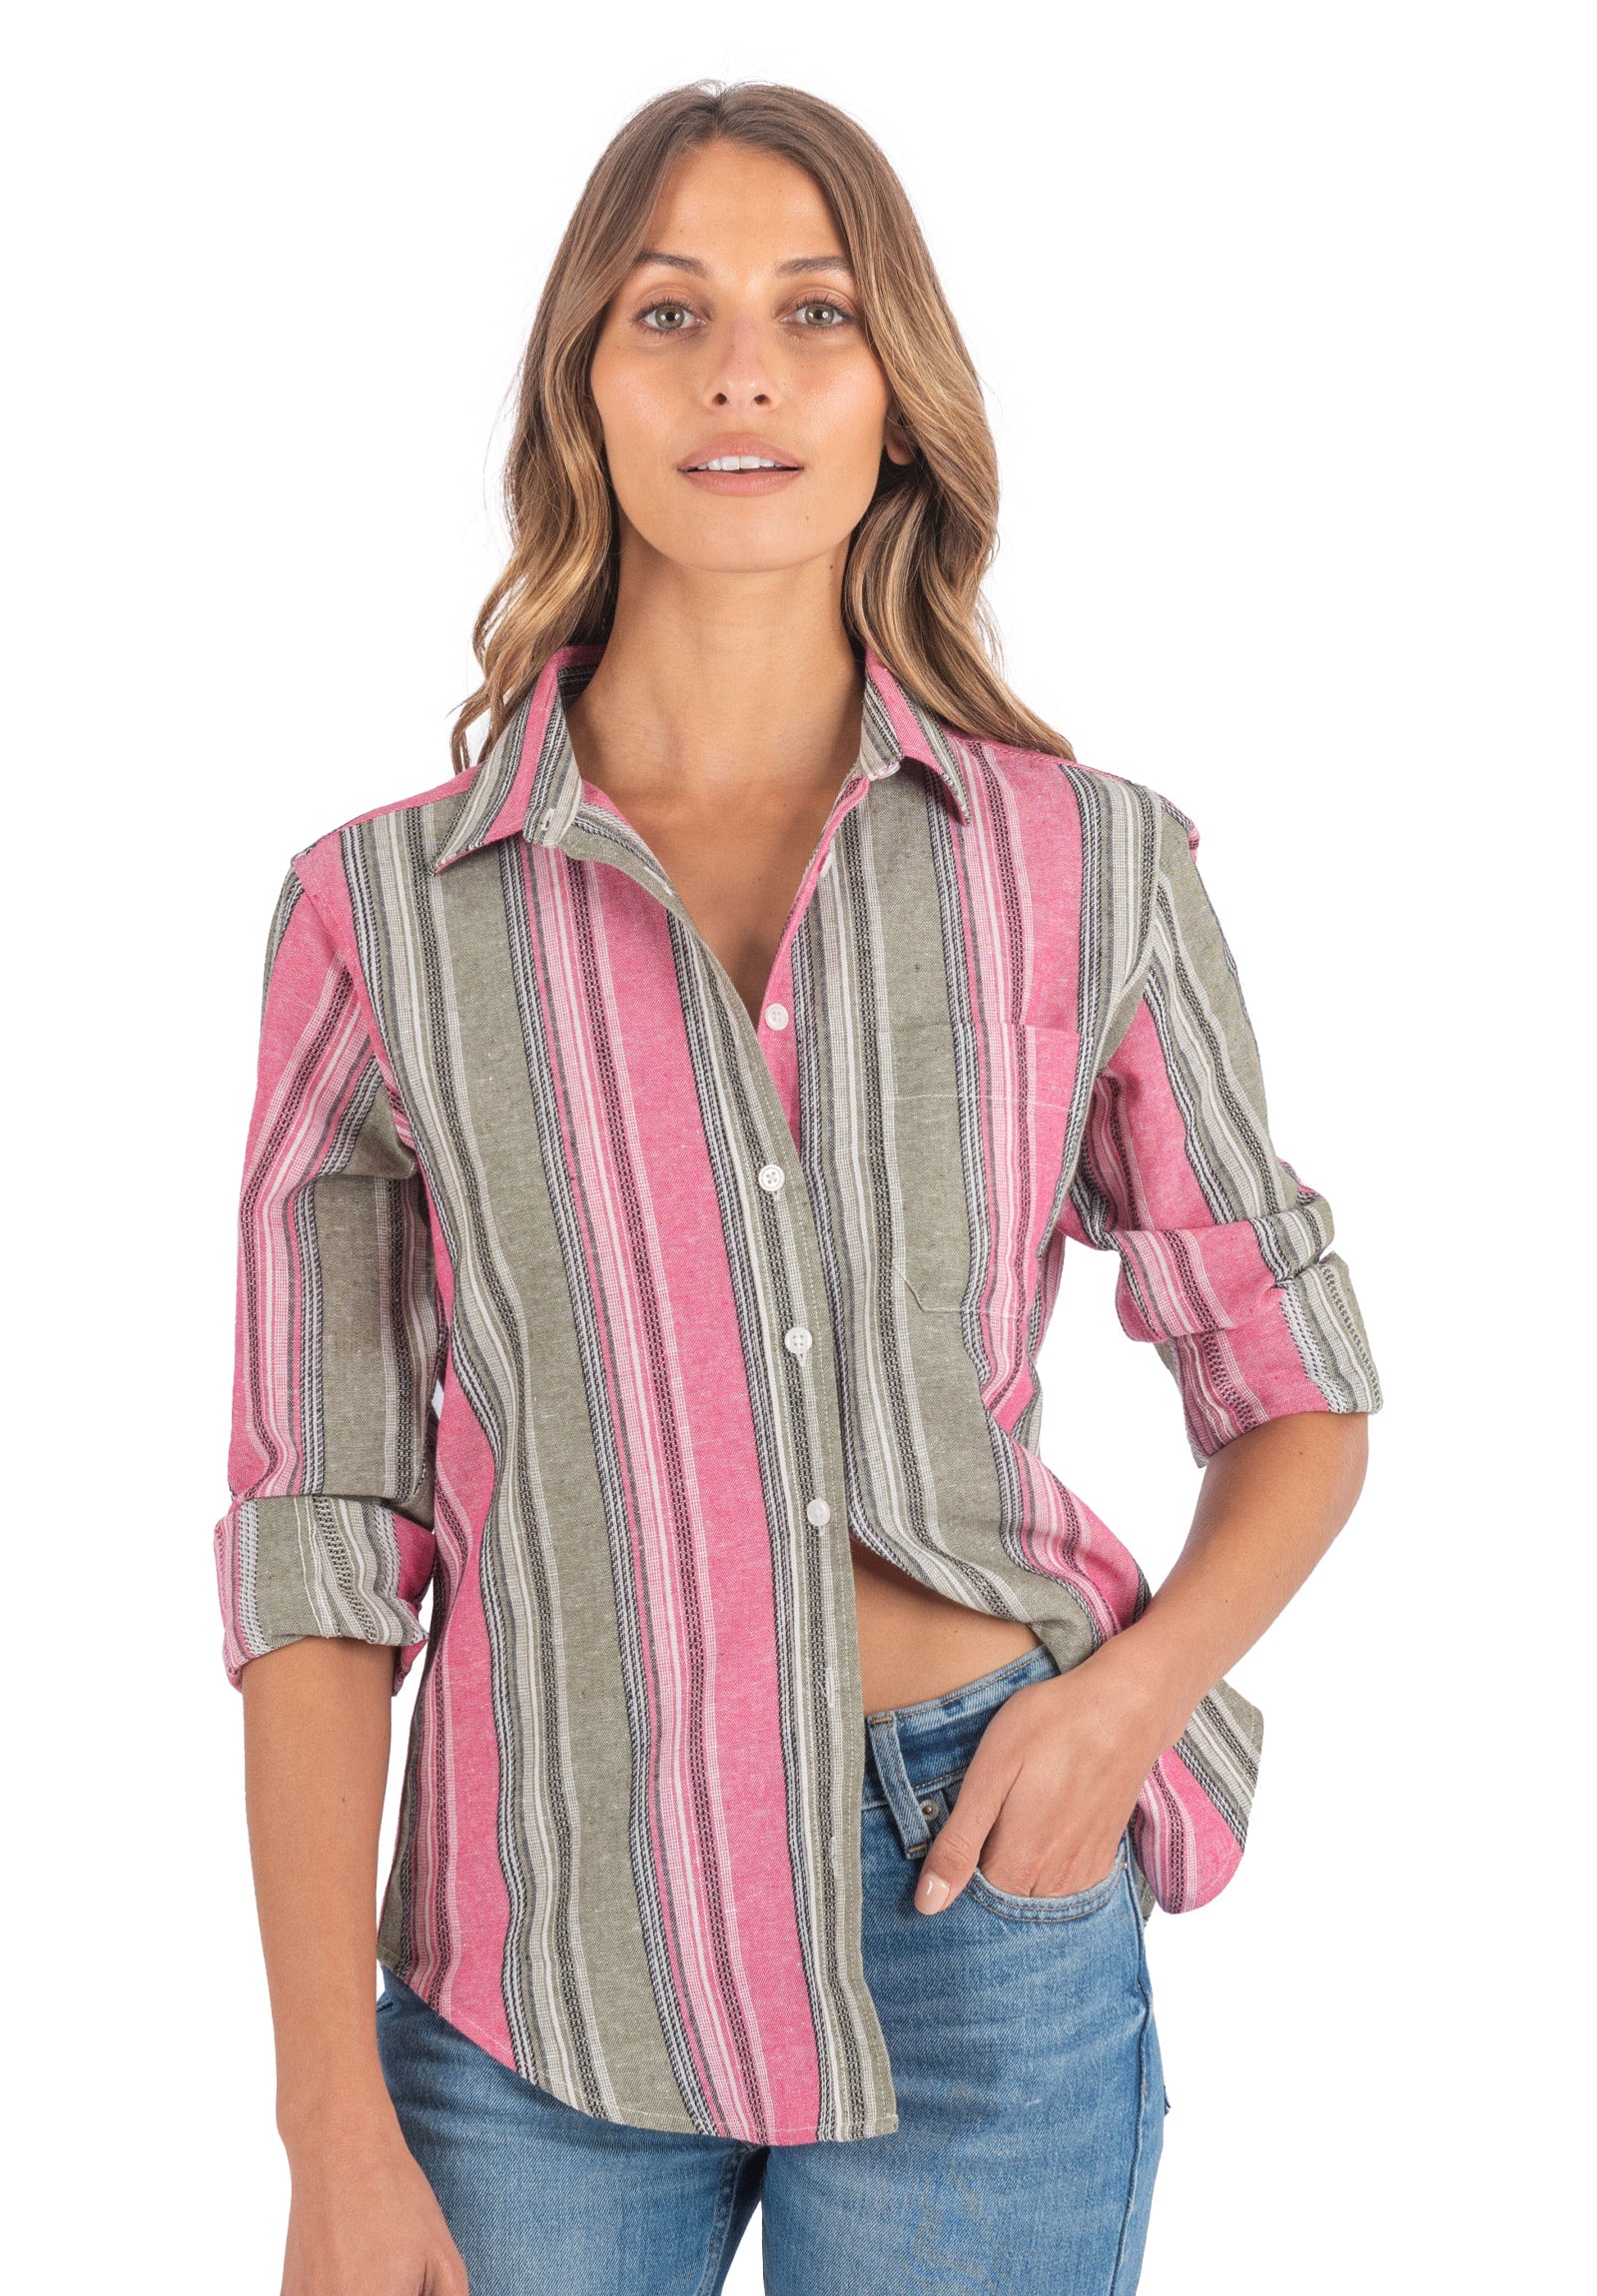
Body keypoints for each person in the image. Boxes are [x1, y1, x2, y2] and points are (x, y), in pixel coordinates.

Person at [213, 79, 1381, 2296]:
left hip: (984, 1894)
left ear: (894, 396)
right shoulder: (380, 922)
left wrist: (1118, 1709)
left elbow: (1297, 1384)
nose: (738, 372)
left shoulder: (1086, 868)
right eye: (669, 311)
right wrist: (325, 2122)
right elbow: (317, 1550)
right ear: (583, 384)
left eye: (812, 312)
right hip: (542, 1955)